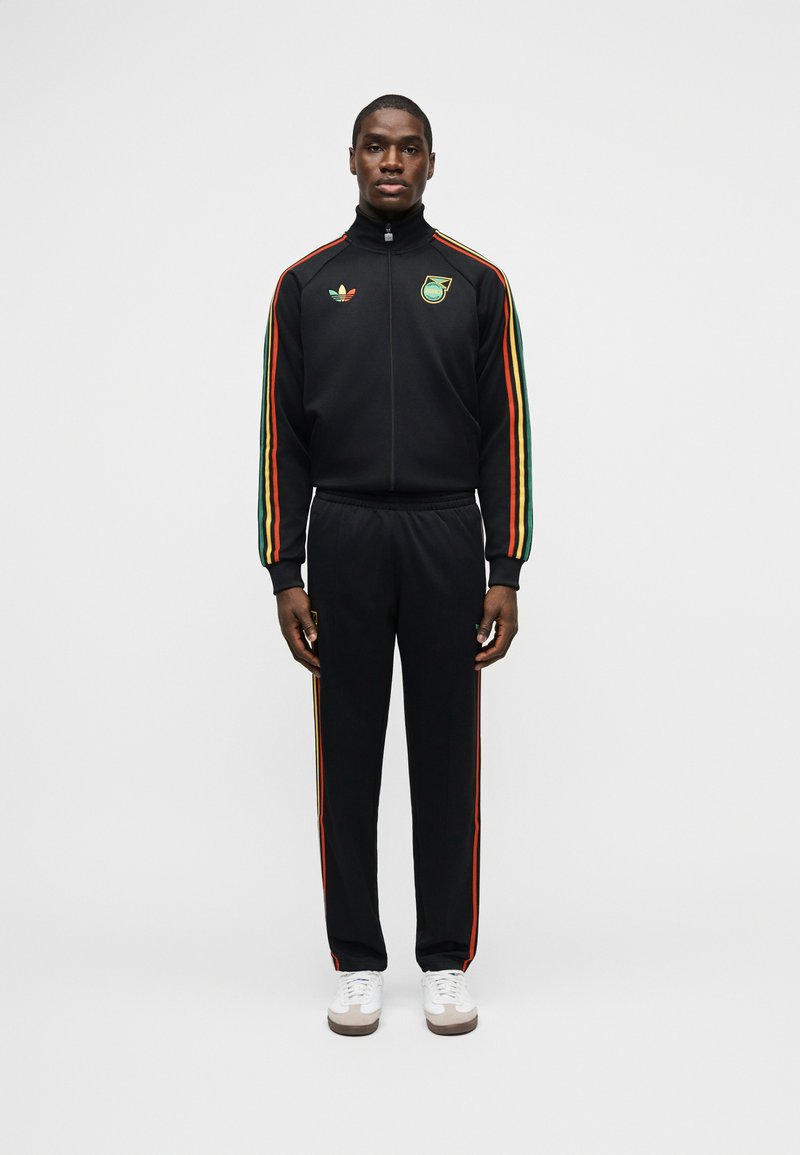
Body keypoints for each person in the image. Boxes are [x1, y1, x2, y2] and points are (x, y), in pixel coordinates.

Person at [258, 94, 533, 1036]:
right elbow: (281, 438)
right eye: (375, 146)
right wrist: (285, 570)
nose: (391, 161)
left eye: (408, 149)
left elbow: (506, 433)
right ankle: (358, 960)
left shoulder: (477, 283)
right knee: (348, 754)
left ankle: (445, 958)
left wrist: (505, 564)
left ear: (429, 164)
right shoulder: (306, 284)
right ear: (350, 158)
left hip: (446, 533)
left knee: (447, 751)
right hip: (343, 535)